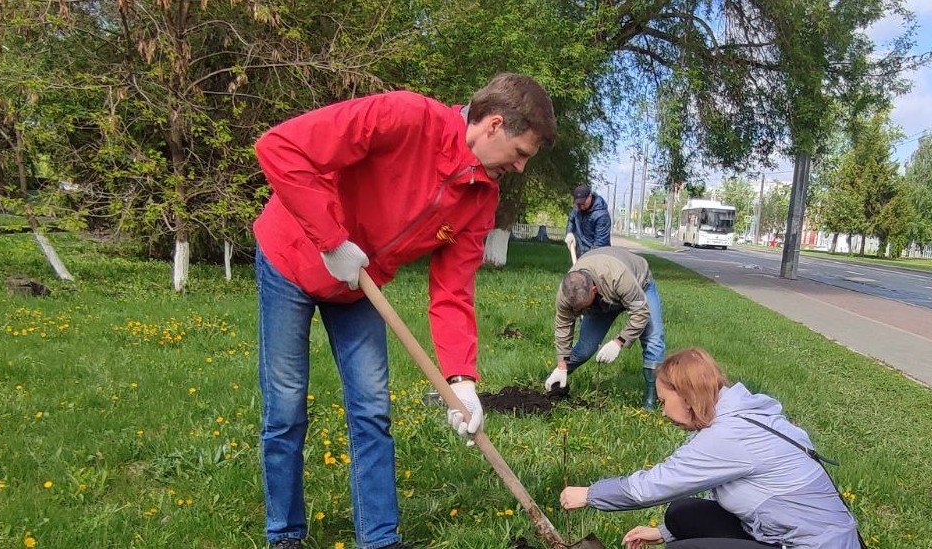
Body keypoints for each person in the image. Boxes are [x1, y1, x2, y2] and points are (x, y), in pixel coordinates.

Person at [253, 73, 556, 549]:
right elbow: (279, 147)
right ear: (494, 125)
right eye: (521, 154)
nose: (520, 168)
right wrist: (330, 240)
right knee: (287, 406)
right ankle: (285, 534)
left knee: (372, 409)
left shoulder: (481, 197)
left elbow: (453, 290)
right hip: (292, 257)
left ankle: (379, 539)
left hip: (358, 288)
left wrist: (462, 380)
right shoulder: (406, 117)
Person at [559, 348, 862, 549]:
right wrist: (663, 532)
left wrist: (589, 494)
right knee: (681, 513)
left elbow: (650, 488)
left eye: (665, 402)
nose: (663, 412)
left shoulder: (729, 436)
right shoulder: (742, 413)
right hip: (785, 532)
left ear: (687, 397)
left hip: (816, 544)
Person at [544, 246, 665, 410]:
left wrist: (619, 341)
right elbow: (563, 327)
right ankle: (557, 380)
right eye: (576, 309)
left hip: (639, 285)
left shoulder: (619, 277)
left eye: (582, 308)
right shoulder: (567, 293)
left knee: (654, 340)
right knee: (585, 348)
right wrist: (561, 365)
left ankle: (652, 398)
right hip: (600, 303)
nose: (579, 312)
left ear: (593, 290)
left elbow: (640, 314)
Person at [564, 184, 611, 257]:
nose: (581, 206)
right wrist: (569, 232)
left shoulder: (601, 215)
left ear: (590, 196)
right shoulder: (577, 208)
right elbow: (571, 220)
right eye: (579, 204)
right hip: (579, 253)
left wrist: (586, 260)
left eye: (583, 203)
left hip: (596, 257)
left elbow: (600, 245)